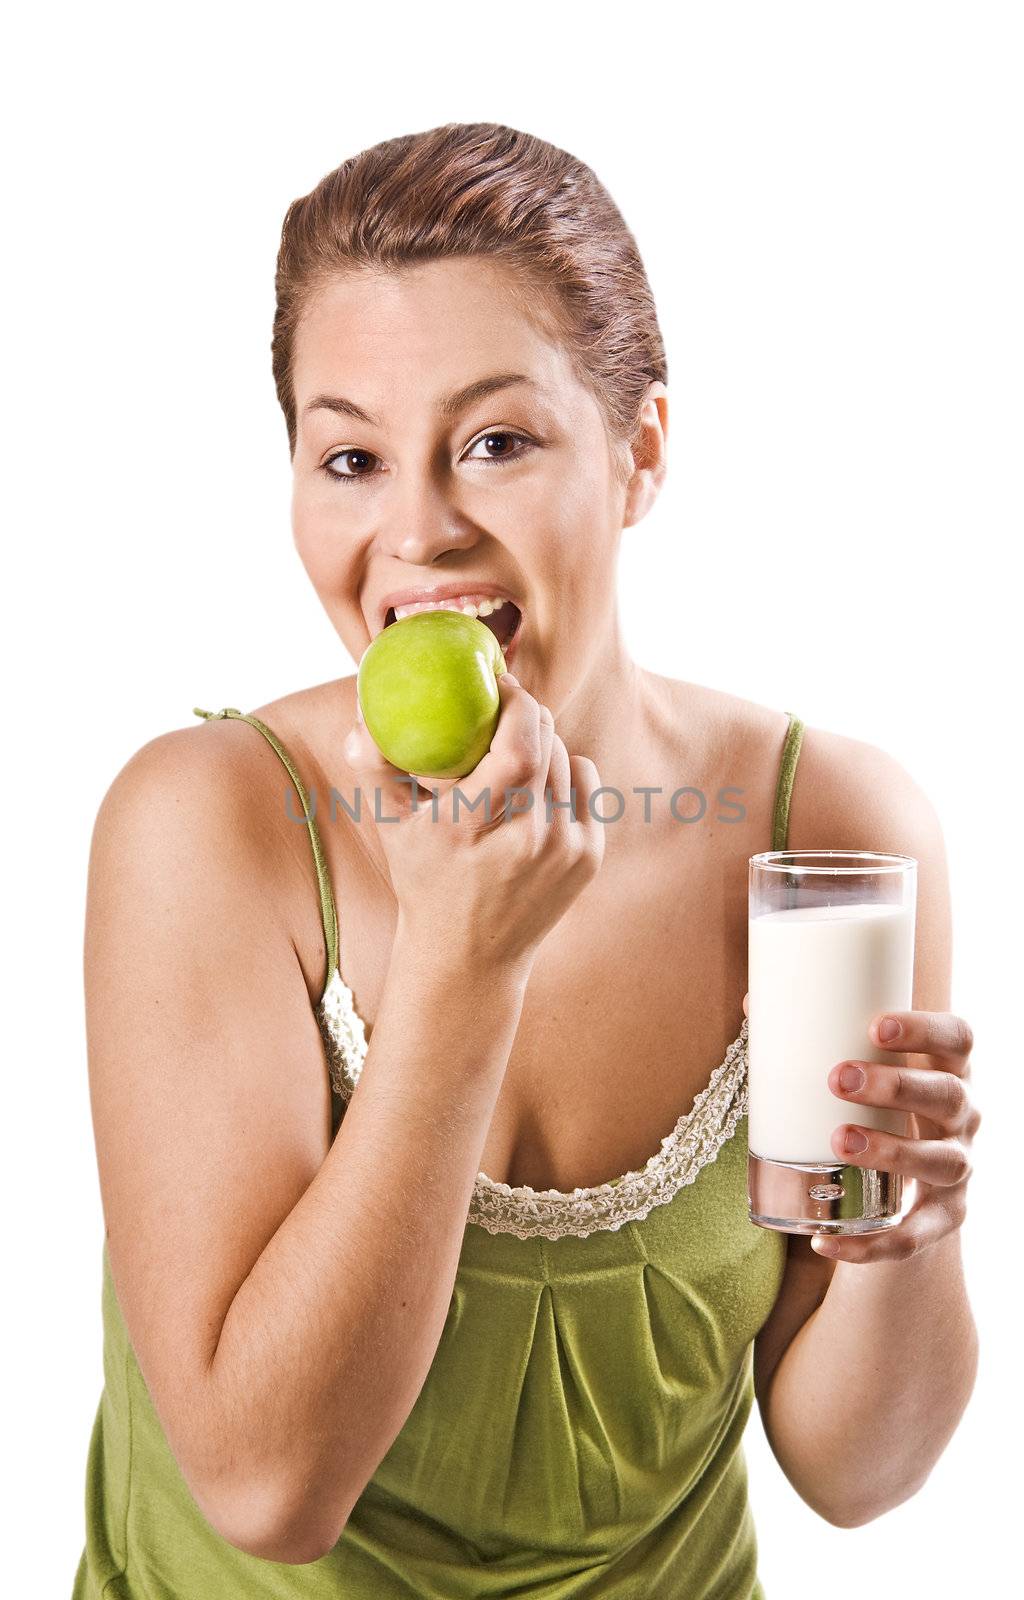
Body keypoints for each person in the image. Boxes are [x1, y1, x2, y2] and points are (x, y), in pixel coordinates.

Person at [72, 122, 981, 1598]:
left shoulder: (833, 842)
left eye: (497, 441)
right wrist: (462, 967)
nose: (417, 531)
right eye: (351, 456)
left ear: (641, 456)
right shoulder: (212, 828)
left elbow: (854, 1472)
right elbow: (267, 1482)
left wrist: (906, 1240)